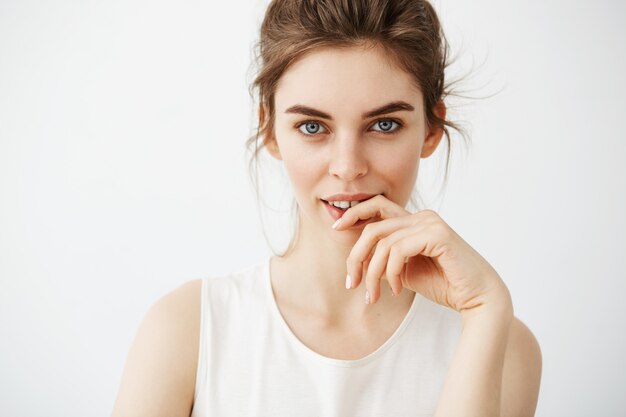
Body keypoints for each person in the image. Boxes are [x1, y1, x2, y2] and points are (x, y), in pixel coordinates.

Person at [111, 0, 542, 416]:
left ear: (430, 129)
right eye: (313, 127)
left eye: (384, 124)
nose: (348, 167)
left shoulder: (501, 345)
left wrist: (486, 310)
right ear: (271, 132)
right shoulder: (188, 330)